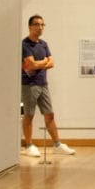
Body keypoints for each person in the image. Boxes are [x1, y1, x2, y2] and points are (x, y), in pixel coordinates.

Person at [22, 15, 75, 157]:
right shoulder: (25, 44)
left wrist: (38, 63)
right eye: (37, 24)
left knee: (49, 114)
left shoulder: (43, 44)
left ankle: (57, 145)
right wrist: (43, 62)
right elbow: (30, 64)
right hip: (29, 85)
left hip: (43, 84)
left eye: (42, 25)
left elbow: (51, 63)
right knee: (29, 115)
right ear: (30, 26)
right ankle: (29, 146)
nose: (40, 27)